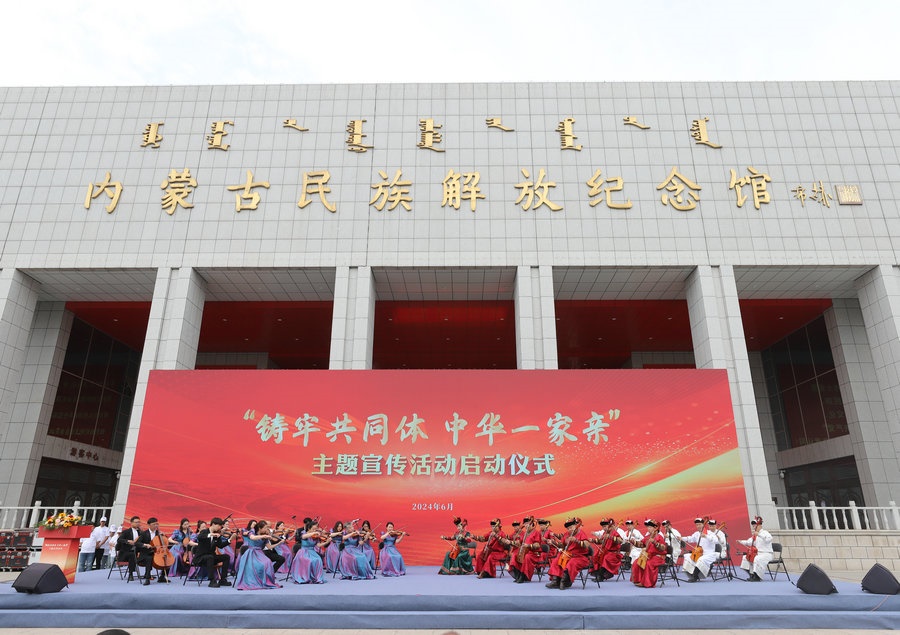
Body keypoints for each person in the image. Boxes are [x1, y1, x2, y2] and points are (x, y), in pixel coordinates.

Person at [545, 517, 590, 590]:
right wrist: (553, 542)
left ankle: (565, 581)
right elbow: (561, 545)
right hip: (568, 555)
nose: (569, 530)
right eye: (568, 528)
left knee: (571, 563)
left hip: (580, 557)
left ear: (576, 526)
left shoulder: (581, 533)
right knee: (556, 560)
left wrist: (577, 541)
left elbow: (587, 544)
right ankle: (556, 581)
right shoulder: (566, 534)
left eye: (571, 527)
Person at [235, 520, 281, 589]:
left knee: (268, 562)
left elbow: (269, 547)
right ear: (260, 528)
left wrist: (279, 543)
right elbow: (252, 538)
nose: (267, 529)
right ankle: (255, 580)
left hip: (260, 553)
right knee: (259, 565)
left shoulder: (265, 536)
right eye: (265, 528)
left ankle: (264, 581)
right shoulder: (252, 532)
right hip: (251, 553)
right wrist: (263, 536)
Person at [193, 517, 232, 588]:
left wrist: (229, 540)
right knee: (210, 557)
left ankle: (223, 579)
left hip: (211, 557)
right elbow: (200, 537)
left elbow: (220, 545)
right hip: (200, 558)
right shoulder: (204, 532)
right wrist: (211, 535)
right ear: (213, 524)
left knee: (226, 557)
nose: (220, 528)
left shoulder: (217, 534)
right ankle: (212, 581)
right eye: (219, 526)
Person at [682, 517, 723, 582]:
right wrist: (681, 538)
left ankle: (695, 577)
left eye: (700, 524)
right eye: (697, 525)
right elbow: (690, 538)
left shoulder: (710, 533)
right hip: (699, 553)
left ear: (703, 525)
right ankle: (691, 574)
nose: (698, 526)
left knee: (701, 559)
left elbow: (716, 541)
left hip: (709, 554)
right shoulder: (696, 533)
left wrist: (706, 536)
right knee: (687, 556)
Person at [289, 518, 328, 584]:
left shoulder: (315, 536)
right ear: (309, 528)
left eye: (316, 529)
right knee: (309, 560)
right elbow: (303, 537)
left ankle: (316, 578)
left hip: (312, 551)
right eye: (313, 529)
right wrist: (314, 532)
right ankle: (306, 577)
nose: (315, 530)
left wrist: (327, 542)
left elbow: (318, 545)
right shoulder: (304, 533)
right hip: (303, 552)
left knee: (318, 560)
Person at [630, 519, 668, 588]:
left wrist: (655, 542)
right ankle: (638, 580)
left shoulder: (659, 537)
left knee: (648, 564)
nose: (648, 528)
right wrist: (634, 542)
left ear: (655, 528)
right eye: (648, 527)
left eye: (650, 527)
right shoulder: (647, 537)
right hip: (649, 556)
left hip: (658, 557)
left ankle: (647, 583)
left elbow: (663, 548)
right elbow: (641, 544)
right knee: (636, 562)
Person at [115, 516, 153, 582]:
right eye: (136, 522)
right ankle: (130, 574)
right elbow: (119, 540)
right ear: (131, 523)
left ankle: (147, 574)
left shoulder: (141, 532)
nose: (138, 524)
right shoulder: (126, 532)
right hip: (126, 553)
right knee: (132, 555)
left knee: (149, 554)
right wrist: (128, 541)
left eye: (139, 522)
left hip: (137, 552)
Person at [135, 517, 170, 585]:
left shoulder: (159, 533)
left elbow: (165, 544)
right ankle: (147, 578)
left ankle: (162, 577)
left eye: (157, 524)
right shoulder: (144, 533)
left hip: (158, 553)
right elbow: (137, 543)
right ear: (149, 525)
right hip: (146, 554)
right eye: (154, 524)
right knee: (149, 558)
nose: (156, 526)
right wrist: (145, 545)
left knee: (166, 558)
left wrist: (164, 537)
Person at [738, 516, 773, 581]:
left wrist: (759, 535)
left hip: (766, 554)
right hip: (758, 553)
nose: (753, 526)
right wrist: (740, 541)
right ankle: (752, 575)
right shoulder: (755, 535)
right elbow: (749, 542)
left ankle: (757, 577)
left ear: (759, 525)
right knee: (745, 557)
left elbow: (769, 539)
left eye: (754, 525)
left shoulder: (765, 533)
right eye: (753, 525)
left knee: (757, 559)